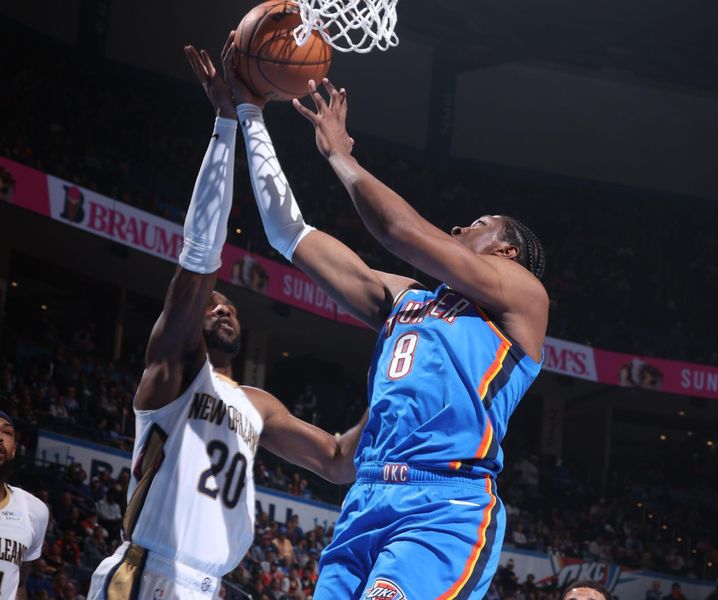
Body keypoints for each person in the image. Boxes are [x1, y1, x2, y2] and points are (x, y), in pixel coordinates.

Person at [225, 41, 548, 597]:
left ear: (507, 252)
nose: (458, 227)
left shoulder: (522, 299)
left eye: (478, 224)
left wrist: (339, 156)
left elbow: (401, 232)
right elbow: (289, 234)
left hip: (443, 505)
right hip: (366, 498)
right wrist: (250, 114)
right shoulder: (406, 300)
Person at [86, 36, 366, 600]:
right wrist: (225, 126)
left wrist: (395, 381)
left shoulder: (257, 404)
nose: (219, 308)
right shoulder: (171, 374)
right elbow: (198, 258)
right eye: (213, 304)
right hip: (147, 574)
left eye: (230, 307)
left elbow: (337, 461)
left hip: (213, 586)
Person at [0, 412, 50, 600]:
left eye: (7, 432)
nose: (0, 437)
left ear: (14, 450)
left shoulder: (35, 510)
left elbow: (19, 585)